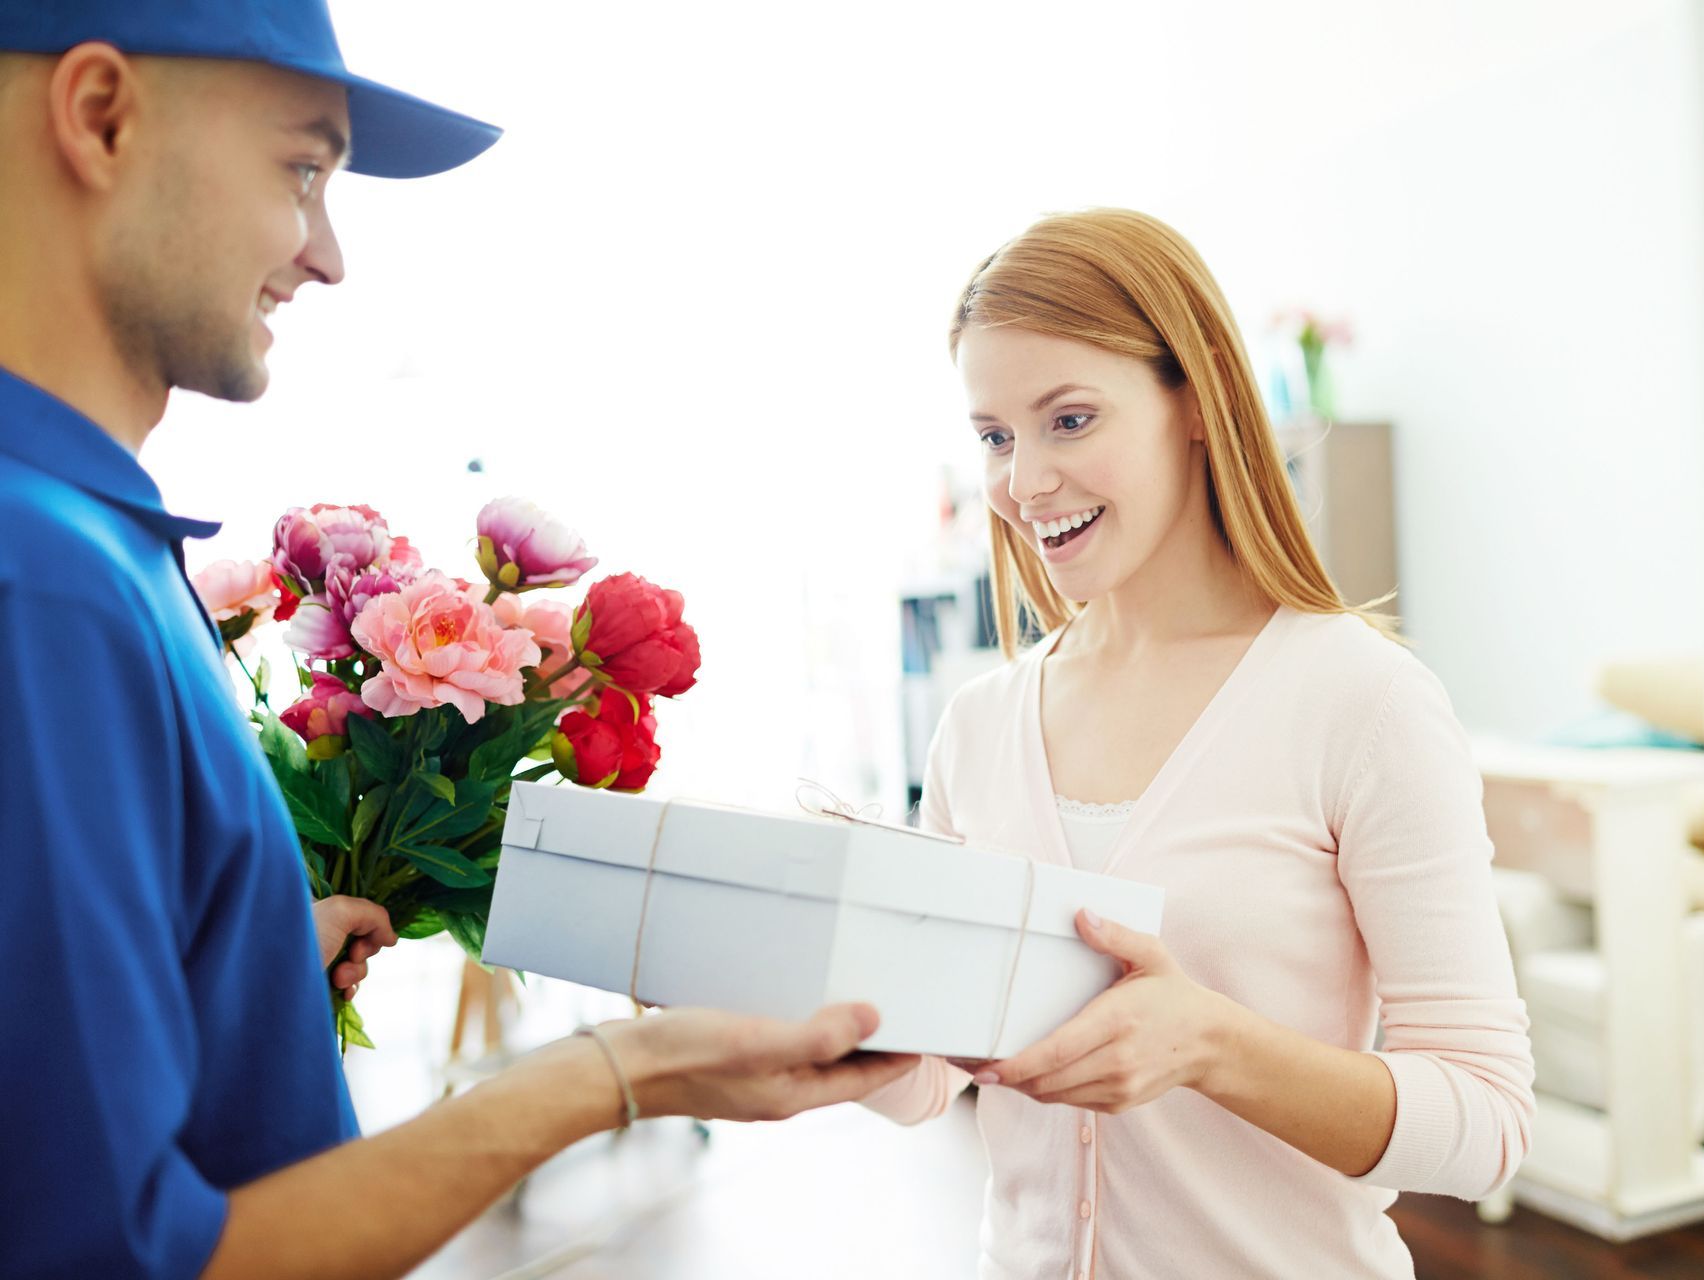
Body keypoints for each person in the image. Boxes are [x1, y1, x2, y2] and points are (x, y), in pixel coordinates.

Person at [0, 4, 912, 1277]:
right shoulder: (40, 581)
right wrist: (614, 1071)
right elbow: (125, 1258)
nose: (327, 255)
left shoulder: (93, 544)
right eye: (302, 167)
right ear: (101, 116)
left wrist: (244, 977)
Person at [862, 209, 1535, 1278]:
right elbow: (932, 1079)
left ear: (1199, 395)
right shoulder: (979, 725)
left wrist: (1213, 1044)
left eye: (1070, 420)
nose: (1023, 481)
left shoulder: (1362, 701)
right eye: (995, 435)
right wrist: (829, 1014)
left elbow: (1488, 1122)